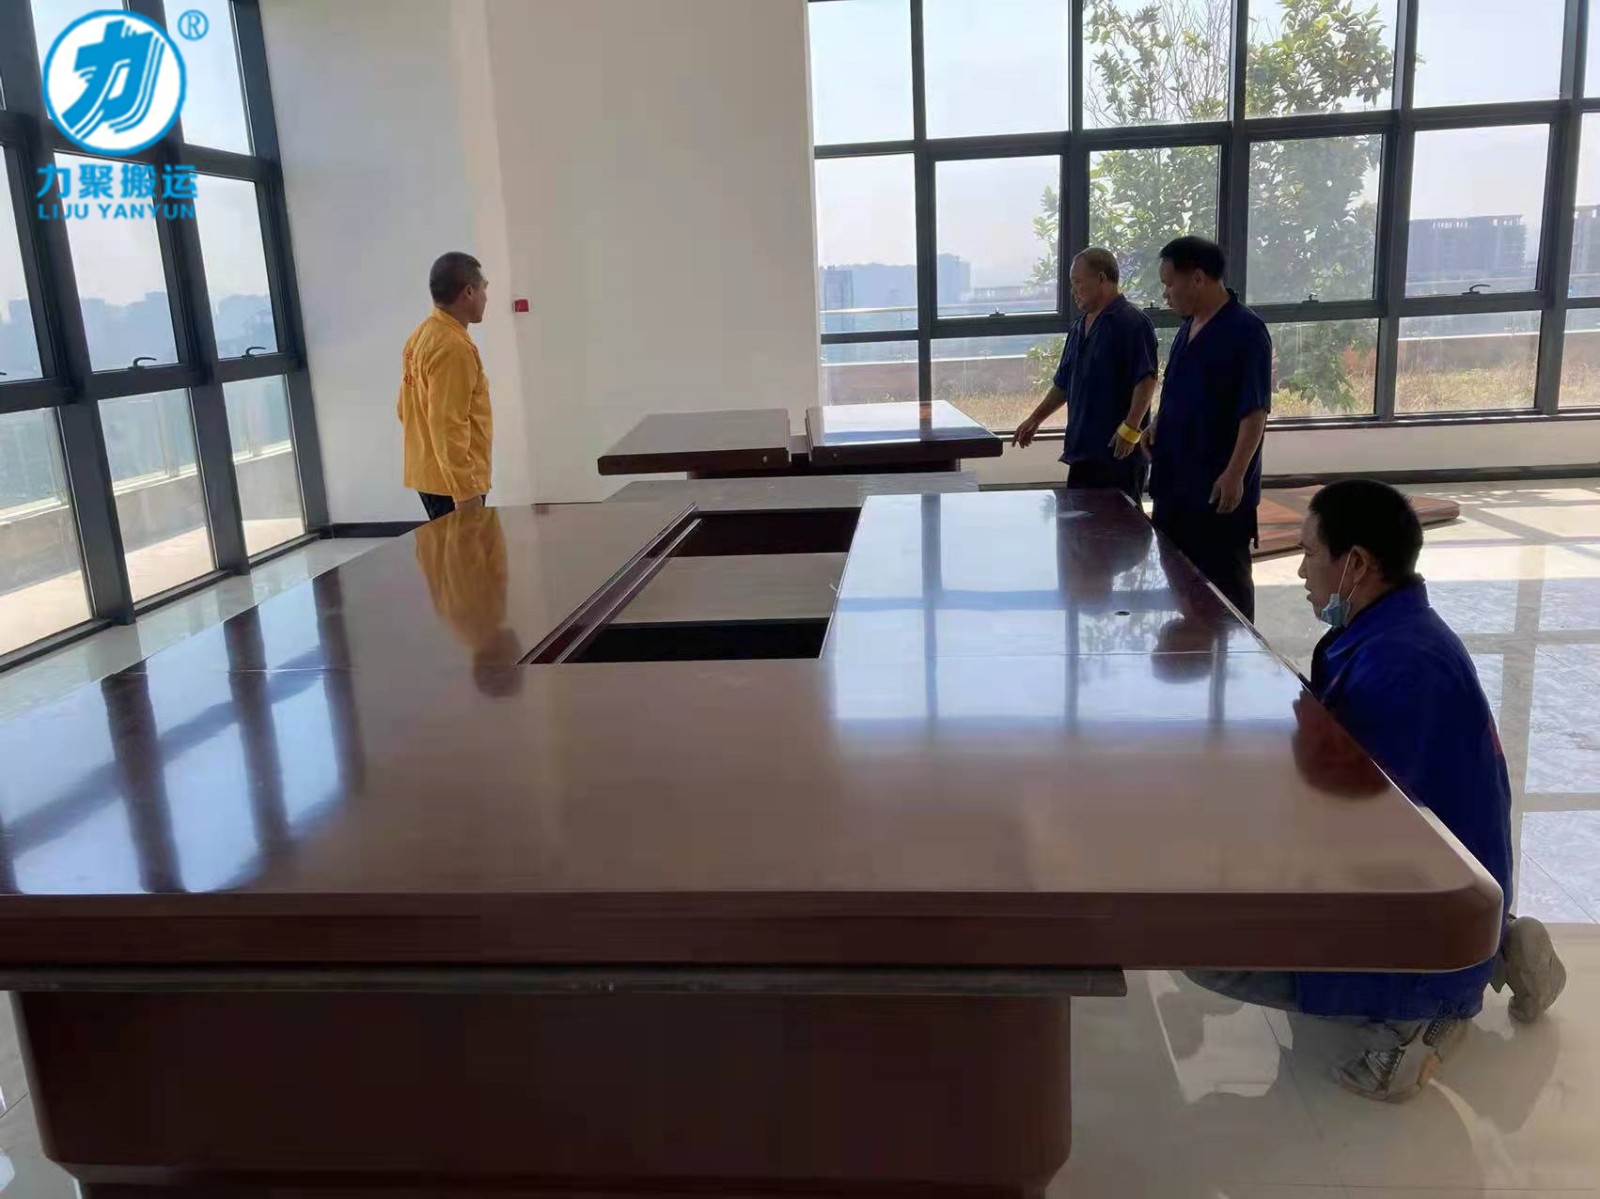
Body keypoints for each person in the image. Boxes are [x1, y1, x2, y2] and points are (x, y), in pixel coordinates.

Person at [1189, 479, 1565, 1103]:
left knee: (1204, 946)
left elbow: (1360, 833)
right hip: (1454, 884)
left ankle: (1428, 1014)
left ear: (1356, 564)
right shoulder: (1388, 634)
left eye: (1310, 552)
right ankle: (1500, 944)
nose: (1301, 569)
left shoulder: (1403, 669)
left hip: (1423, 917)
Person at [1146, 236, 1270, 621]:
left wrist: (1235, 474)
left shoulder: (1246, 332)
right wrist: (1156, 424)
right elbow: (1178, 389)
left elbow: (1254, 412)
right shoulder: (1188, 328)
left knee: (1226, 583)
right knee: (1179, 576)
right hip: (1174, 483)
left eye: (1169, 283)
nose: (1165, 294)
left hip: (1216, 488)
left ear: (1198, 278)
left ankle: (1241, 650)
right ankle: (1192, 643)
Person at [1013, 248, 1159, 504]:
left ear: (1101, 279)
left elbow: (1146, 379)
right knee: (1079, 523)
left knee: (1120, 525)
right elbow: (1063, 384)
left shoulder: (1132, 322)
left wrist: (1130, 428)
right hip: (1082, 454)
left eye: (1078, 282)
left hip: (1118, 453)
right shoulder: (1079, 327)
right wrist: (1035, 419)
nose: (1073, 291)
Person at [397, 251, 493, 520]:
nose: (486, 297)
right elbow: (448, 425)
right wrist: (465, 492)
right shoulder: (454, 347)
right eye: (484, 287)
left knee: (445, 546)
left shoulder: (422, 335)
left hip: (430, 474)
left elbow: (404, 408)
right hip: (452, 485)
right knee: (467, 547)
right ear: (469, 292)